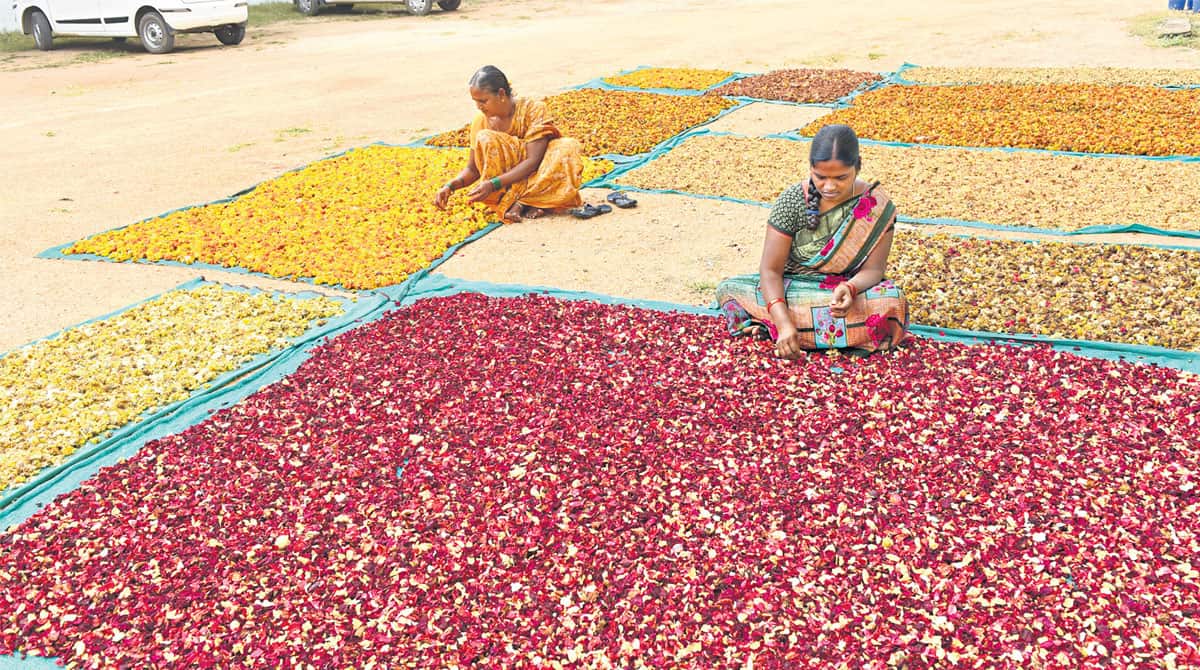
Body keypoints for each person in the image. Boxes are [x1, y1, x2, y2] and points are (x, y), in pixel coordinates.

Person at [714, 124, 909, 359]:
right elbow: (770, 271)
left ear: (858, 166)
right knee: (730, 289)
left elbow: (874, 271)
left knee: (892, 300)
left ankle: (774, 328)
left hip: (841, 294)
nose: (829, 186)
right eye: (820, 177)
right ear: (810, 168)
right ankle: (789, 328)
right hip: (791, 288)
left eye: (841, 178)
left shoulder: (876, 204)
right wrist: (784, 322)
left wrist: (850, 288)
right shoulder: (792, 201)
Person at [433, 66, 585, 223]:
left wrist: (493, 184)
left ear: (501, 94)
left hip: (538, 171)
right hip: (505, 185)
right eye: (476, 102)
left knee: (567, 147)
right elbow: (472, 169)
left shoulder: (534, 110)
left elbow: (533, 161)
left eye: (483, 101)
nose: (479, 107)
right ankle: (529, 201)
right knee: (485, 137)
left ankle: (524, 201)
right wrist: (450, 187)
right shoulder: (481, 121)